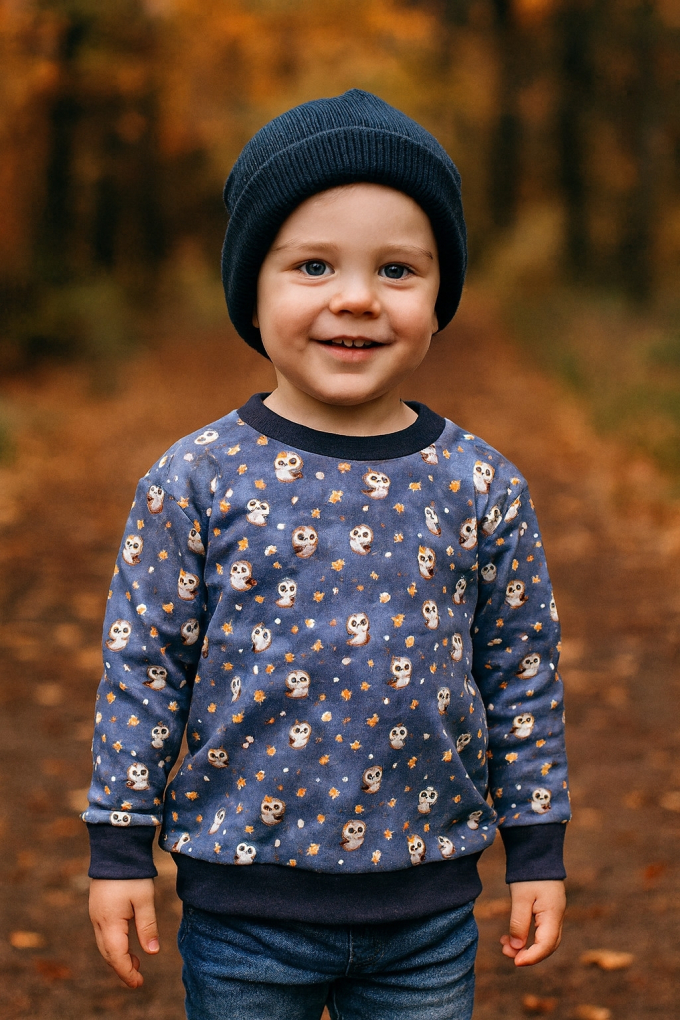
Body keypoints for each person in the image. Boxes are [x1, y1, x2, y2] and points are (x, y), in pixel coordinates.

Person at [86, 89, 569, 1020]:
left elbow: (520, 666)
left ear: (440, 298)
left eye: (397, 269)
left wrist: (537, 849)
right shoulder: (196, 480)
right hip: (242, 908)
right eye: (312, 265)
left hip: (429, 911)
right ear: (251, 293)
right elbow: (143, 667)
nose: (356, 296)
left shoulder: (480, 484)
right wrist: (118, 849)